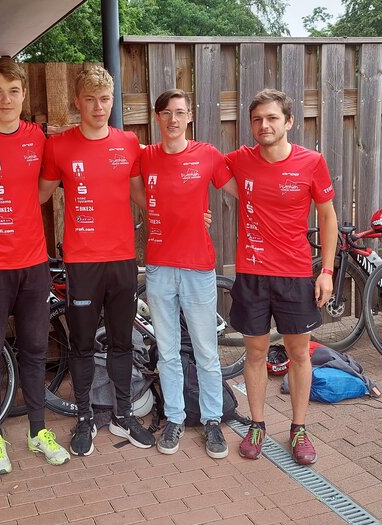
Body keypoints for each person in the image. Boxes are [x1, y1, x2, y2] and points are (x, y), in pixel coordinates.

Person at [0, 57, 70, 473]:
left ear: (24, 94)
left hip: (33, 263)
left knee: (36, 350)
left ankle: (39, 431)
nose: (6, 100)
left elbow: (48, 184)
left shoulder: (38, 138)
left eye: (14, 91)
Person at [39, 66, 155, 456]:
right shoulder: (59, 146)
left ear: (112, 100)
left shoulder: (129, 143)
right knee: (83, 344)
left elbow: (141, 194)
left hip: (122, 260)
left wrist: (181, 215)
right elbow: (38, 194)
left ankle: (124, 414)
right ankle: (85, 417)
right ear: (78, 102)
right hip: (83, 263)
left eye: (104, 99)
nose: (98, 107)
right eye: (90, 99)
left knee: (122, 342)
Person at [225, 88, 337, 465]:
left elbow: (328, 217)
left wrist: (327, 271)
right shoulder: (239, 160)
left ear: (289, 122)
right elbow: (197, 169)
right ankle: (257, 425)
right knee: (255, 353)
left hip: (295, 274)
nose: (264, 125)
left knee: (298, 353)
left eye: (272, 118)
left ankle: (299, 428)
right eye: (257, 119)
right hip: (252, 274)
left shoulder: (312, 162)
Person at [135, 89, 236, 458]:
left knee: (206, 351)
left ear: (190, 116)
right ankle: (175, 417)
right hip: (160, 267)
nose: (173, 119)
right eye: (166, 113)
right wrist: (156, 209)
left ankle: (212, 420)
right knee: (167, 351)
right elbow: (127, 181)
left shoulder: (207, 154)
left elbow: (240, 190)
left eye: (180, 112)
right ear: (157, 118)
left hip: (197, 268)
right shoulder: (145, 156)